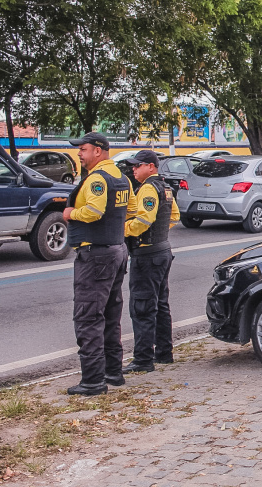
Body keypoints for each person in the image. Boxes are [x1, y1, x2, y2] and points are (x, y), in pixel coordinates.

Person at [63, 132, 134, 396]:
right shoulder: (122, 178)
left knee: (89, 316)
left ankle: (93, 381)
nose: (79, 154)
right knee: (110, 314)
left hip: (95, 255)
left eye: (83, 149)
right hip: (115, 250)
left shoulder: (97, 179)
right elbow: (134, 211)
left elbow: (93, 211)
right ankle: (113, 371)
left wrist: (71, 213)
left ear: (99, 151)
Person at [123, 150, 181, 374]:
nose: (134, 170)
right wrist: (158, 234)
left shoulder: (148, 188)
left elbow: (144, 219)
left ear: (151, 167)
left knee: (142, 308)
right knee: (161, 305)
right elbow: (174, 216)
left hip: (147, 255)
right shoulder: (165, 187)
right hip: (162, 251)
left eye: (138, 166)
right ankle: (164, 353)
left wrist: (126, 231)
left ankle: (143, 359)